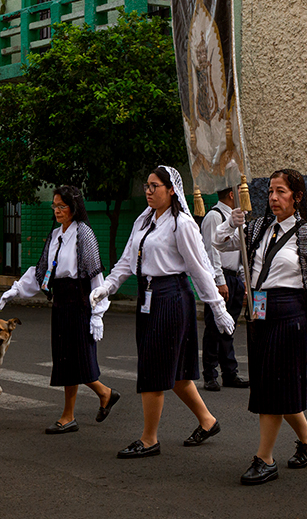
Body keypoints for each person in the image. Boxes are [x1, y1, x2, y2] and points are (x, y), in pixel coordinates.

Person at [213, 169, 307, 486]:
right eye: (270, 192)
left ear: (297, 197)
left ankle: (264, 458)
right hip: (259, 314)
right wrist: (232, 221)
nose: (274, 198)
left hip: (291, 315)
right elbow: (219, 242)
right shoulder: (260, 228)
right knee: (271, 383)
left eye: (281, 191)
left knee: (273, 385)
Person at [89, 166, 234, 459]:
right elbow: (127, 262)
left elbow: (199, 268)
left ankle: (148, 439)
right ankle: (208, 421)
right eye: (147, 185)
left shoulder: (182, 223)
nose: (149, 190)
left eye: (155, 186)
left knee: (153, 369)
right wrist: (106, 287)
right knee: (177, 372)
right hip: (148, 295)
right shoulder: (144, 220)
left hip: (172, 298)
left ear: (171, 190)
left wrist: (218, 308)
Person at [0, 185, 119, 434]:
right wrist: (17, 290)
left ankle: (89, 403)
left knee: (79, 357)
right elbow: (43, 270)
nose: (57, 210)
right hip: (61, 301)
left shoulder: (84, 234)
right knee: (66, 358)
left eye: (61, 206)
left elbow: (96, 275)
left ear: (74, 208)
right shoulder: (55, 235)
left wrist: (98, 313)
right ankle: (87, 404)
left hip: (80, 300)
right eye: (54, 206)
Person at [200, 187, 249, 392]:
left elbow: (243, 250)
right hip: (220, 277)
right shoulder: (214, 216)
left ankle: (230, 372)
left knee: (229, 328)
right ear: (232, 195)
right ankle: (210, 374)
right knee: (214, 327)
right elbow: (212, 251)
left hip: (235, 277)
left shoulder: (237, 217)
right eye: (240, 191)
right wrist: (219, 281)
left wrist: (244, 280)